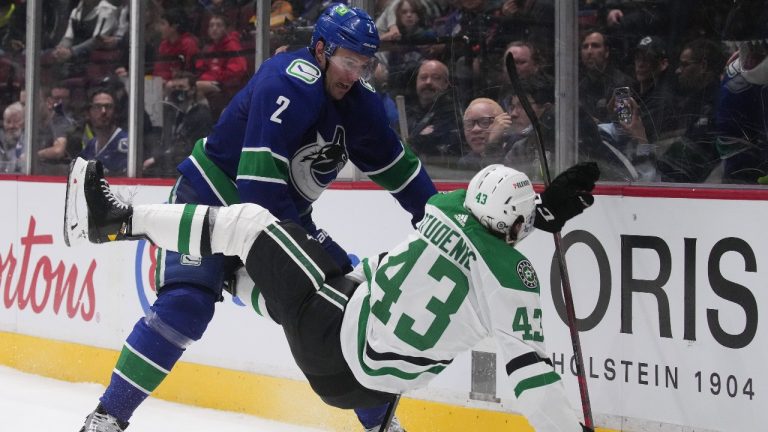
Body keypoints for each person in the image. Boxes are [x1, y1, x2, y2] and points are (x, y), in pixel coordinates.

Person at [73, 4, 437, 432]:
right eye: (346, 61)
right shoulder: (287, 80)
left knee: (332, 315)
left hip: (276, 219)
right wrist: (319, 256)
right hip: (211, 199)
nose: (353, 74)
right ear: (320, 49)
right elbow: (258, 191)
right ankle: (107, 417)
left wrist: (439, 223)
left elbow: (403, 173)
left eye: (363, 64)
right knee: (186, 305)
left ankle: (380, 425)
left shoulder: (360, 105)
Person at [65, 157, 600, 432]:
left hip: (337, 335)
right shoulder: (515, 281)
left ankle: (113, 220)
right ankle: (239, 282)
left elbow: (488, 222)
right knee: (331, 277)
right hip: (367, 385)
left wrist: (538, 209)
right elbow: (534, 382)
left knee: (250, 224)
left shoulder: (448, 207)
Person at [143, 72, 214, 177]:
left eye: (181, 87)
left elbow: (188, 148)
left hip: (190, 170)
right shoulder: (174, 112)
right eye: (174, 87)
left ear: (192, 90)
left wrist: (157, 159)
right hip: (172, 166)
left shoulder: (201, 115)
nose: (177, 90)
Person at [405, 59, 463, 160]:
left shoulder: (451, 111)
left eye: (436, 78)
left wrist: (412, 138)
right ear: (416, 82)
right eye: (423, 77)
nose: (428, 82)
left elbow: (430, 142)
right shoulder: (409, 110)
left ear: (445, 84)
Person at [578, 29, 634, 123]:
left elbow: (625, 124)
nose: (589, 51)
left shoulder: (622, 83)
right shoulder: (580, 86)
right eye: (585, 47)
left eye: (595, 46)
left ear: (607, 51)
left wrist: (598, 125)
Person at [78, 86, 127, 175]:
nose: (103, 111)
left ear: (116, 112)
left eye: (108, 107)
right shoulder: (91, 145)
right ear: (88, 113)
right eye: (97, 106)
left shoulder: (125, 144)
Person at [457, 97, 505, 171]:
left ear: (502, 124)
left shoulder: (516, 151)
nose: (475, 129)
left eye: (485, 122)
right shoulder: (466, 163)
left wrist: (492, 144)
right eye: (469, 124)